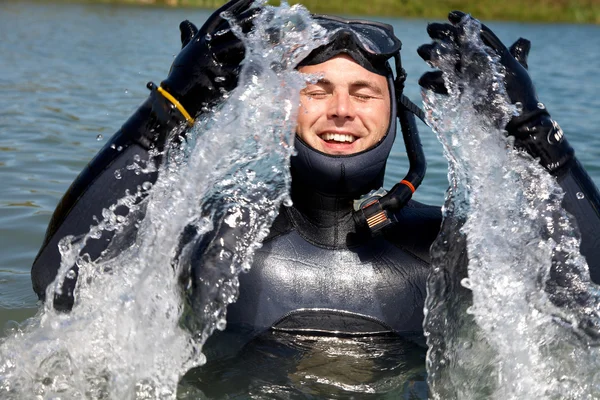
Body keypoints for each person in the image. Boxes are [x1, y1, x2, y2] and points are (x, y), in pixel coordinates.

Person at [31, 0, 600, 367]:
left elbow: (591, 315)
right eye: (317, 89)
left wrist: (532, 136)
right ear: (282, 107)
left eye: (364, 92)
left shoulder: (450, 248)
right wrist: (171, 110)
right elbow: (61, 283)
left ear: (395, 112)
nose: (341, 110)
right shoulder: (220, 232)